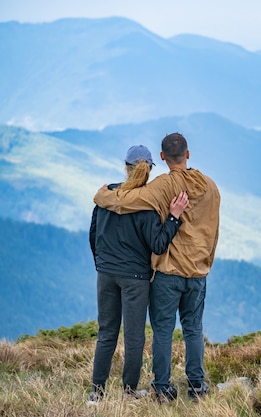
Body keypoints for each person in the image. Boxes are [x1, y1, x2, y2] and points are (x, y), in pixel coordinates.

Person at [93, 132, 220, 403]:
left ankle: (162, 388)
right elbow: (214, 231)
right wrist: (206, 261)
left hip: (168, 271)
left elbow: (126, 201)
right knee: (194, 328)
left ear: (162, 157)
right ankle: (197, 387)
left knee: (162, 330)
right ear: (188, 154)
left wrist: (101, 197)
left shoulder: (164, 186)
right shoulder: (211, 187)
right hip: (198, 271)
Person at [88, 145, 189, 404]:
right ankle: (129, 392)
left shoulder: (106, 194)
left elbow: (93, 234)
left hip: (106, 273)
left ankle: (96, 394)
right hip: (135, 278)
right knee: (133, 336)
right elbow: (157, 244)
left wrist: (102, 263)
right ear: (149, 170)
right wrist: (174, 219)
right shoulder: (146, 203)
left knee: (106, 333)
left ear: (126, 166)